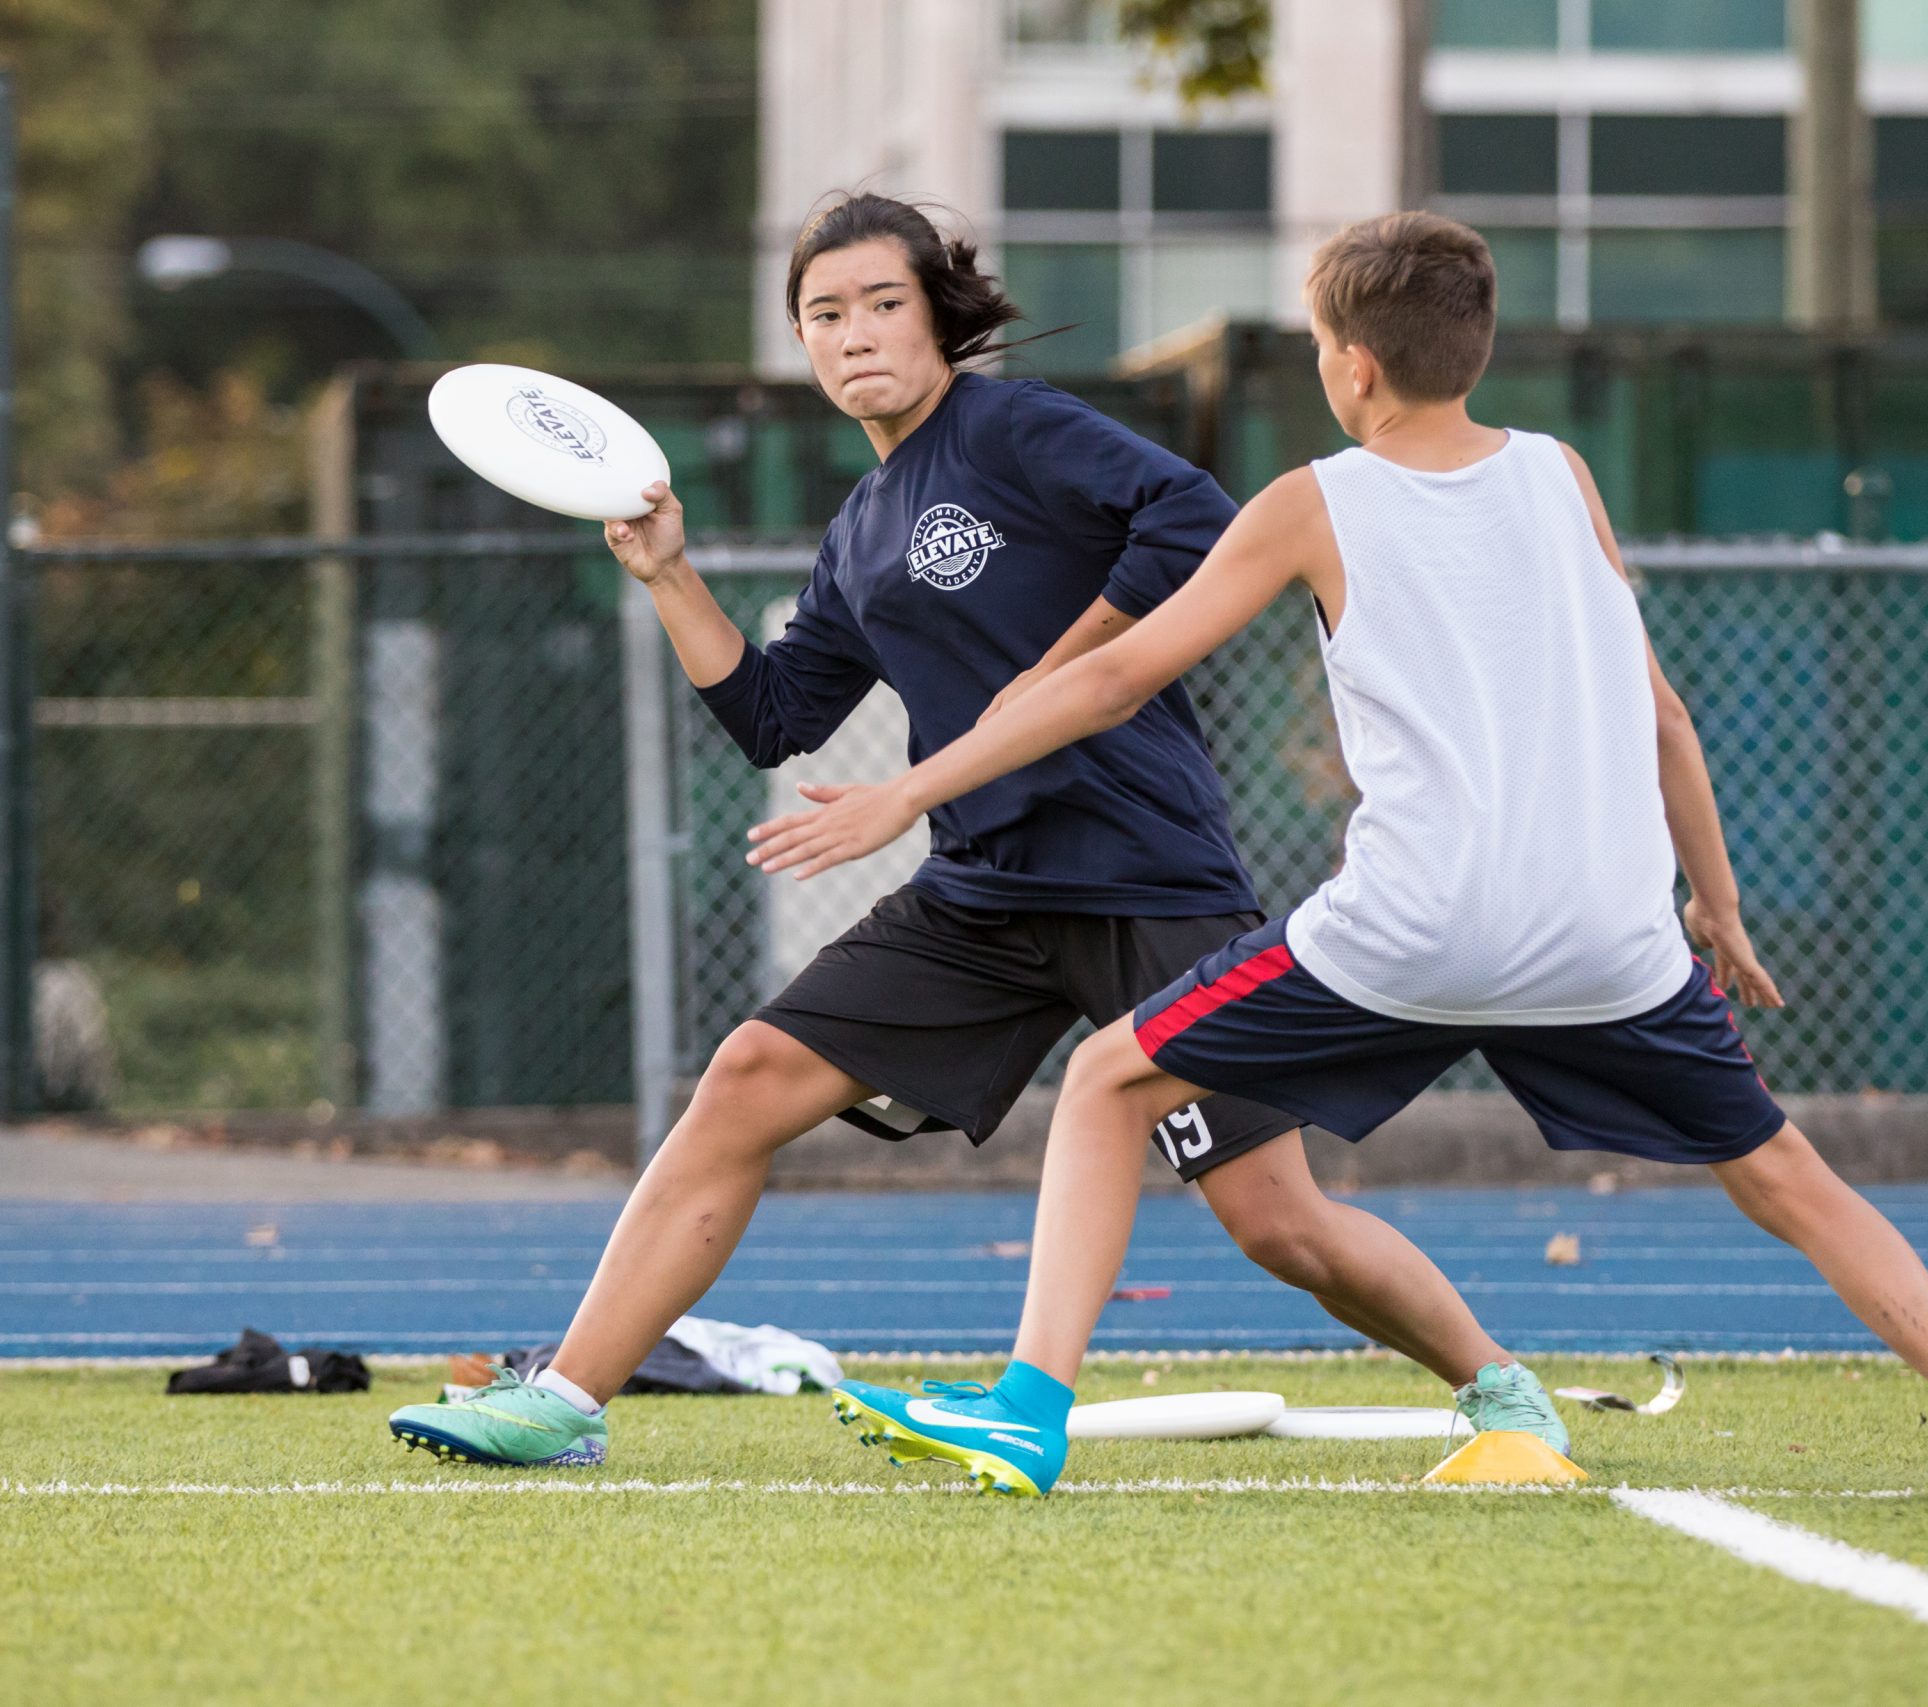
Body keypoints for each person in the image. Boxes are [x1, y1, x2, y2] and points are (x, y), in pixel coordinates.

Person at [755, 211, 1928, 1503]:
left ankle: (1027, 1406)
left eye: (1316, 353)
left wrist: (910, 790)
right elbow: (1663, 712)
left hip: (1412, 932)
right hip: (1612, 935)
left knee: (1113, 1076)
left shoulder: (1311, 500)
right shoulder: (1560, 471)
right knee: (1792, 1178)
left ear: (1352, 368)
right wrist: (1716, 904)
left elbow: (1116, 676)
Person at [387, 193, 1574, 1468]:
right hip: (982, 893)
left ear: (938, 315)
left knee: (1277, 1223)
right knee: (744, 1078)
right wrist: (671, 574)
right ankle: (565, 1403)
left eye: (881, 305)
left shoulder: (1011, 425)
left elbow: (1190, 519)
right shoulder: (859, 528)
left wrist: (1051, 673)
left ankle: (1499, 1388)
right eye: (822, 316)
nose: (853, 336)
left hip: (1143, 876)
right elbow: (775, 714)